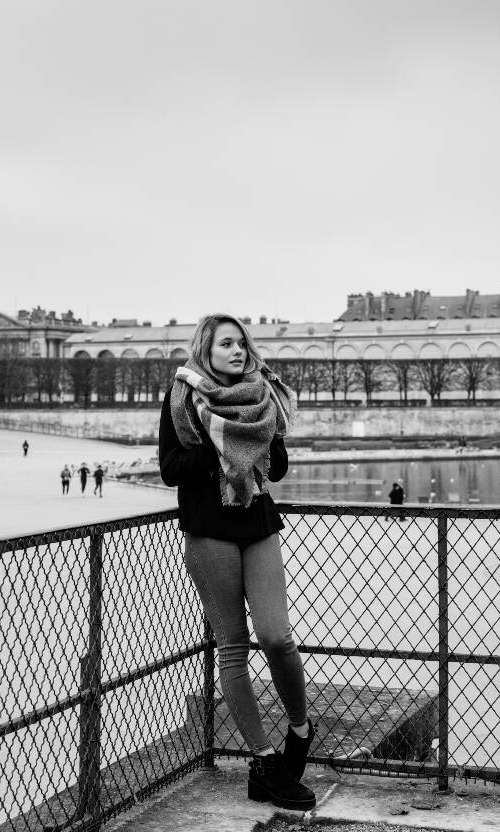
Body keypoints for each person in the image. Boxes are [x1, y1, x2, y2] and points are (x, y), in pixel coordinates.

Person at [159, 313, 316, 811]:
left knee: (276, 636)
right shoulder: (183, 399)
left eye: (242, 343)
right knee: (232, 646)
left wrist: (260, 440)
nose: (238, 351)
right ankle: (265, 763)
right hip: (209, 530)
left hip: (257, 524)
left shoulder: (262, 397)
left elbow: (281, 468)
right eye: (227, 343)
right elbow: (170, 469)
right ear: (206, 349)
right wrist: (221, 445)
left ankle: (300, 728)